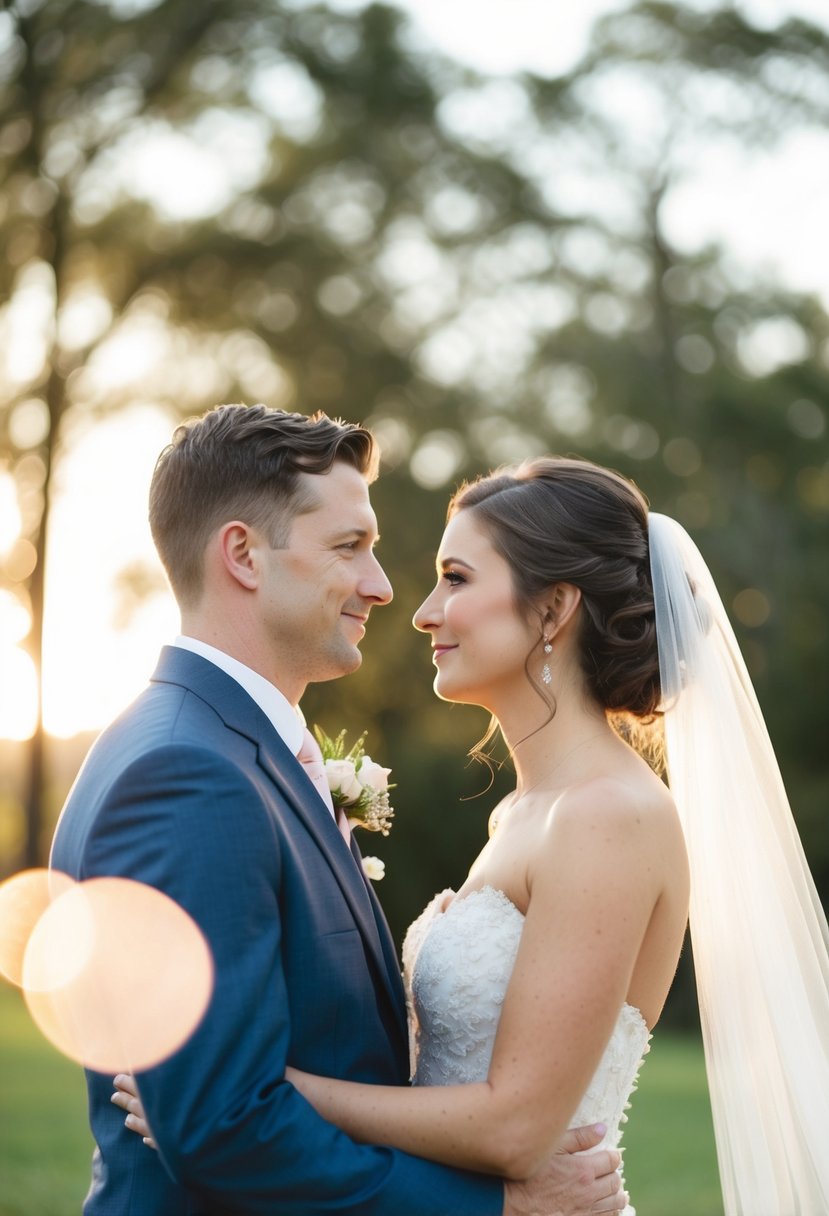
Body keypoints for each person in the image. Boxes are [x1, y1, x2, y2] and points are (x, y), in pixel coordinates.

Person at [121, 453, 829, 1214]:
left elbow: (516, 1128)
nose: (423, 611)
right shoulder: (523, 814)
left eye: (456, 579)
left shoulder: (608, 815)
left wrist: (265, 1093)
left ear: (553, 609)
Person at [51, 407, 626, 1216]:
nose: (384, 588)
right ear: (243, 555)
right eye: (348, 548)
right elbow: (223, 1129)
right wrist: (497, 1207)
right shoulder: (190, 774)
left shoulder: (227, 751)